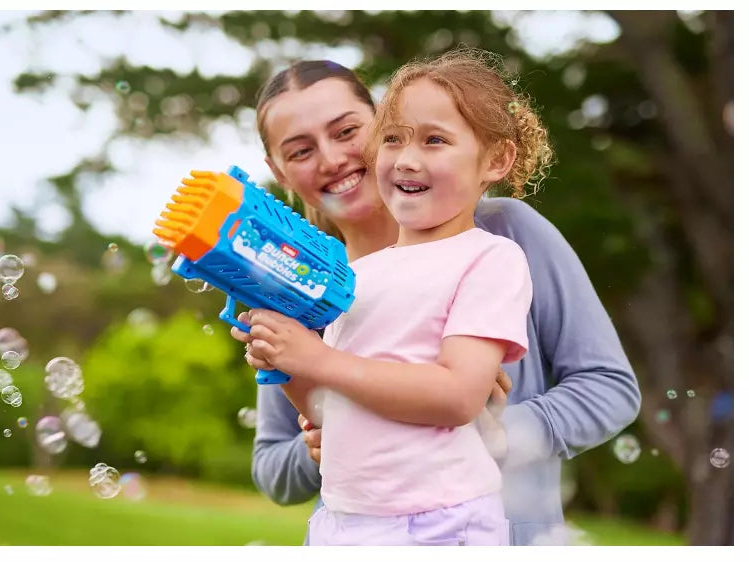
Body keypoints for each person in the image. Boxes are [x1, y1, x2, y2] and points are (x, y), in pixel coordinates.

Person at [233, 55, 641, 546]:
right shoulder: (298, 283)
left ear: (384, 122)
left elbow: (609, 386)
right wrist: (325, 440)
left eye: (346, 132)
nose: (331, 158)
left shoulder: (503, 238)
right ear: (277, 170)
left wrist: (495, 432)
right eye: (299, 151)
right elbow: (272, 465)